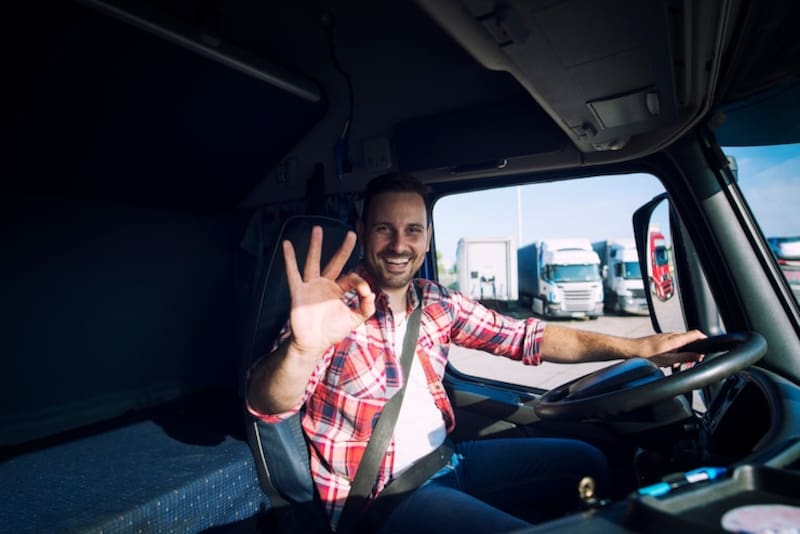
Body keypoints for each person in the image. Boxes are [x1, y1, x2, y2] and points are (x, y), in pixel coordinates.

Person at [246, 172, 705, 533]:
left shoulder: (437, 302)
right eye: (384, 229)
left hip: (448, 460)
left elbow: (528, 337)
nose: (400, 245)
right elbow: (268, 404)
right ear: (364, 231)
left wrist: (638, 348)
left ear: (427, 237)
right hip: (382, 498)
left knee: (589, 462)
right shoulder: (333, 311)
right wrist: (302, 348)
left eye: (412, 230)